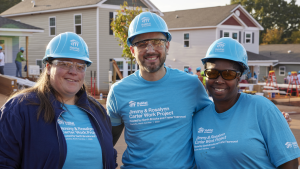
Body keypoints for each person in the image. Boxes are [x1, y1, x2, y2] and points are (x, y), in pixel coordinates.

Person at [106, 12, 212, 169]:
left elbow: (213, 126)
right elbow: (107, 143)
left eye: (157, 42)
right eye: (141, 44)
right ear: (131, 50)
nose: (150, 50)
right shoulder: (119, 91)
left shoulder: (191, 85)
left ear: (167, 45)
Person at [0, 32, 117, 169]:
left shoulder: (97, 111)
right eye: (65, 64)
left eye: (80, 66)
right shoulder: (20, 109)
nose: (73, 71)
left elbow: (110, 159)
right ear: (48, 68)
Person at [193, 37, 300, 168]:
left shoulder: (261, 108)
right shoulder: (198, 118)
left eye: (228, 74)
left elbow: (290, 164)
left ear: (239, 77)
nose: (219, 80)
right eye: (212, 73)